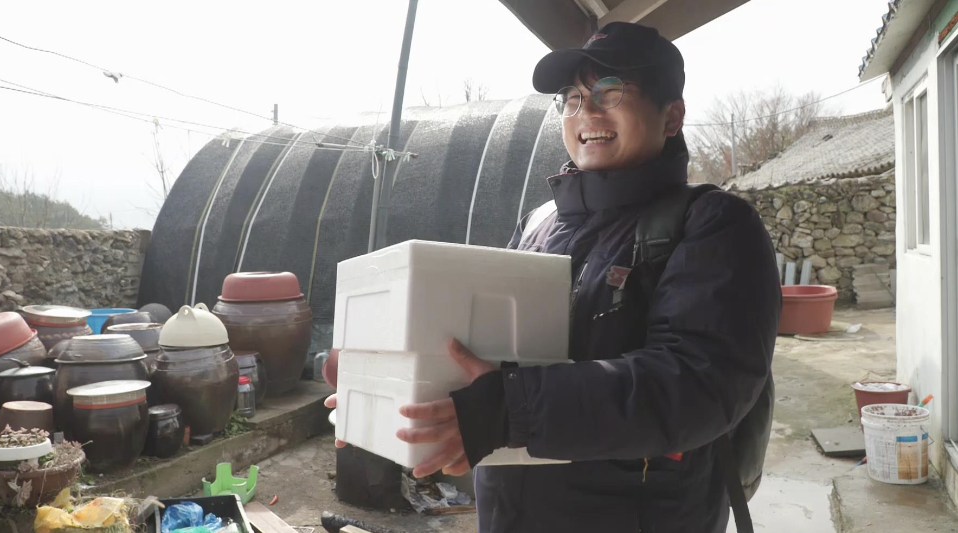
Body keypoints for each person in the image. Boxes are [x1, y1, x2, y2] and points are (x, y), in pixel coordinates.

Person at [327, 22, 781, 533]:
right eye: (572, 97)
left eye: (611, 92)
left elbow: (697, 383)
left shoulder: (712, 225)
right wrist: (381, 380)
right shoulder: (542, 221)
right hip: (509, 513)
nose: (586, 112)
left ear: (671, 115)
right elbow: (484, 352)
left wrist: (509, 409)